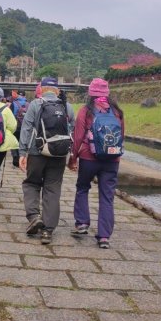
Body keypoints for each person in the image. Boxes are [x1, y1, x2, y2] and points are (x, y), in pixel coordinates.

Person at [67, 78, 124, 249]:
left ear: (90, 93)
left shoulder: (86, 110)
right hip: (112, 160)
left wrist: (73, 158)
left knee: (83, 188)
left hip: (88, 158)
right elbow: (122, 135)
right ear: (107, 93)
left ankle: (82, 223)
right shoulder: (117, 112)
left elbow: (77, 137)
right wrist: (117, 157)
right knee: (107, 196)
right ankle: (104, 237)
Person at [18, 77, 75, 244]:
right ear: (57, 90)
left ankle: (34, 216)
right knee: (53, 188)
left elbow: (26, 128)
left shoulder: (36, 104)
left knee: (31, 183)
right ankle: (47, 231)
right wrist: (71, 155)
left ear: (41, 89)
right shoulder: (67, 106)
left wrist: (22, 152)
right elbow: (73, 130)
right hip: (59, 154)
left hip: (37, 152)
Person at [10, 90, 28, 167]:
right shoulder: (29, 104)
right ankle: (21, 158)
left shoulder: (13, 103)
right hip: (25, 127)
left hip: (15, 126)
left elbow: (10, 116)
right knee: (22, 143)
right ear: (25, 95)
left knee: (14, 142)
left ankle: (15, 158)